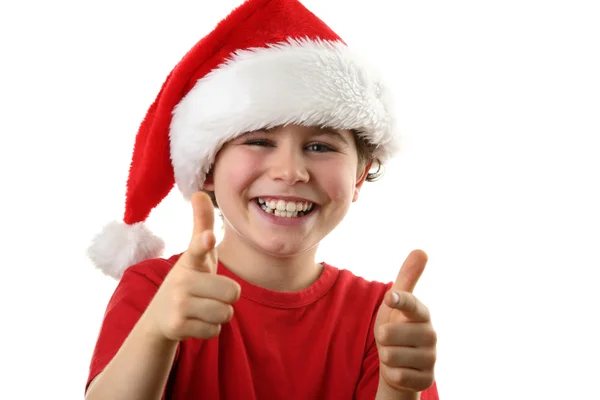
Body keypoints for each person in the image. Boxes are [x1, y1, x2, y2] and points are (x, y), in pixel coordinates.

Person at [84, 0, 440, 399]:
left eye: (321, 146)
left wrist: (398, 388)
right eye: (257, 141)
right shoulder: (155, 289)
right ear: (206, 169)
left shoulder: (383, 319)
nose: (290, 171)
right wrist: (155, 331)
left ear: (360, 174)